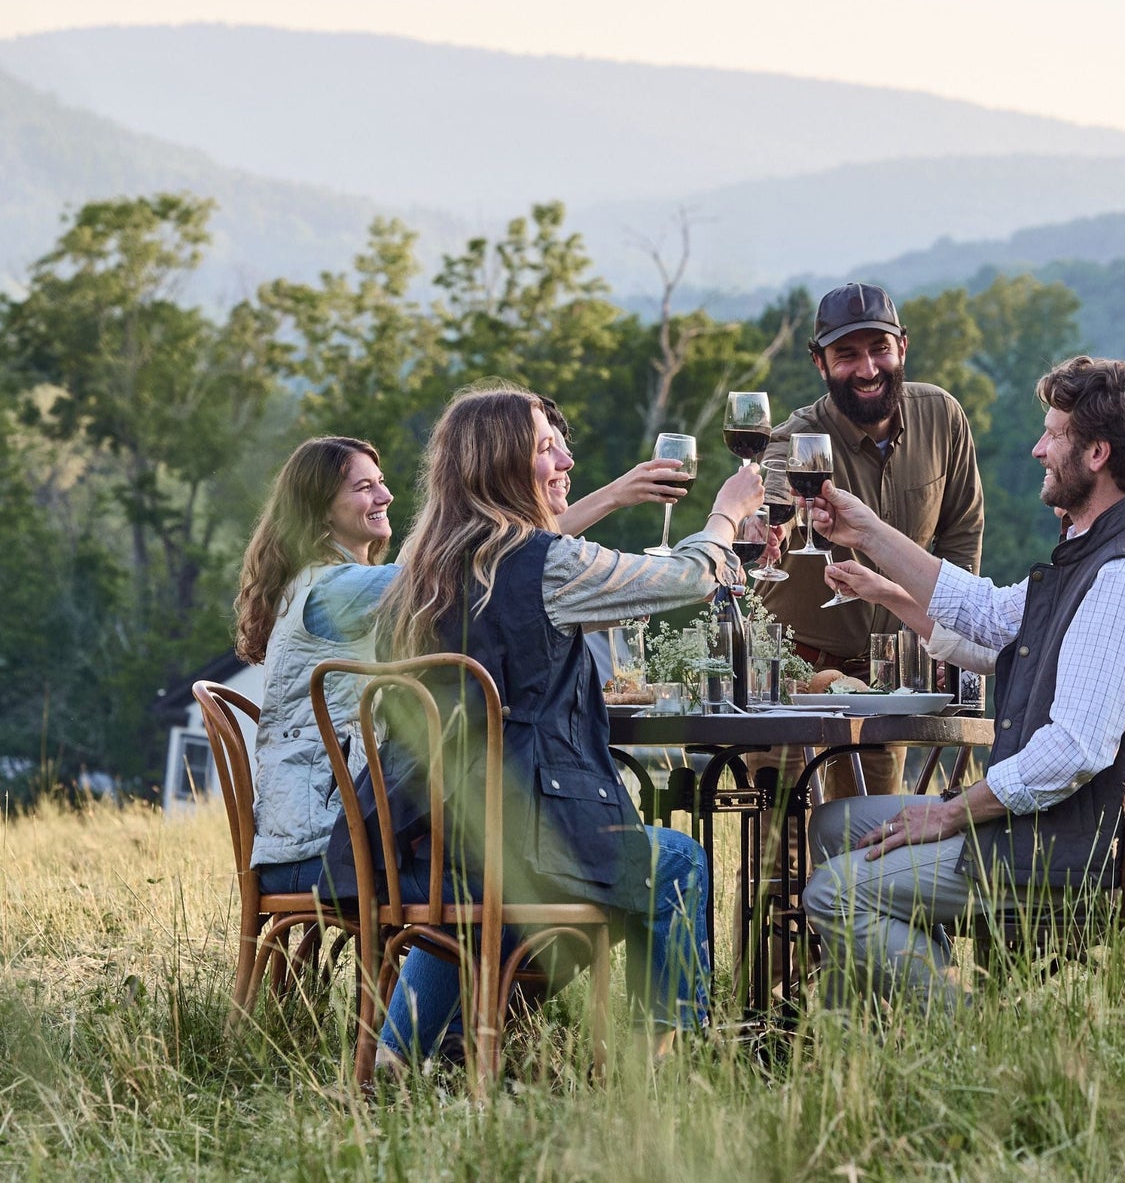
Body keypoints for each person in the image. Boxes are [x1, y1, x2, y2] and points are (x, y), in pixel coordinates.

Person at [339, 386, 765, 1066]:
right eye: (546, 447)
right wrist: (727, 514)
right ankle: (665, 1056)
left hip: (423, 845)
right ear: (504, 464)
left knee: (479, 887)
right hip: (518, 847)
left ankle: (403, 1052)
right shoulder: (543, 565)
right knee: (675, 861)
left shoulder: (424, 565)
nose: (566, 457)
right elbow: (687, 579)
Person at [800, 356, 1125, 1004]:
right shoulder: (1095, 554)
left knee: (833, 891)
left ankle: (971, 1042)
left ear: (1097, 453)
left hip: (1066, 851)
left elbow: (1073, 750)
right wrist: (870, 535)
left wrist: (953, 813)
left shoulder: (1122, 580)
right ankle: (862, 1041)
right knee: (833, 825)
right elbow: (986, 618)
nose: (1039, 448)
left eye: (1054, 435)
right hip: (1054, 827)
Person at [757, 281, 984, 801]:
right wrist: (764, 524)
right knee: (776, 847)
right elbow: (773, 495)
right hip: (792, 672)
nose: (867, 369)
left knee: (871, 842)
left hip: (887, 677)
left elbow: (961, 534)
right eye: (846, 355)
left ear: (902, 346)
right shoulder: (797, 437)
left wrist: (953, 636)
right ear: (819, 362)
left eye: (879, 348)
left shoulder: (942, 417)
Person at [235, 436, 396, 896]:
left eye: (381, 482)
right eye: (364, 487)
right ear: (322, 509)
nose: (384, 496)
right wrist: (609, 499)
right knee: (478, 885)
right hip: (318, 851)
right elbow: (459, 569)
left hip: (322, 840)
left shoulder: (320, 580)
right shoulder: (338, 589)